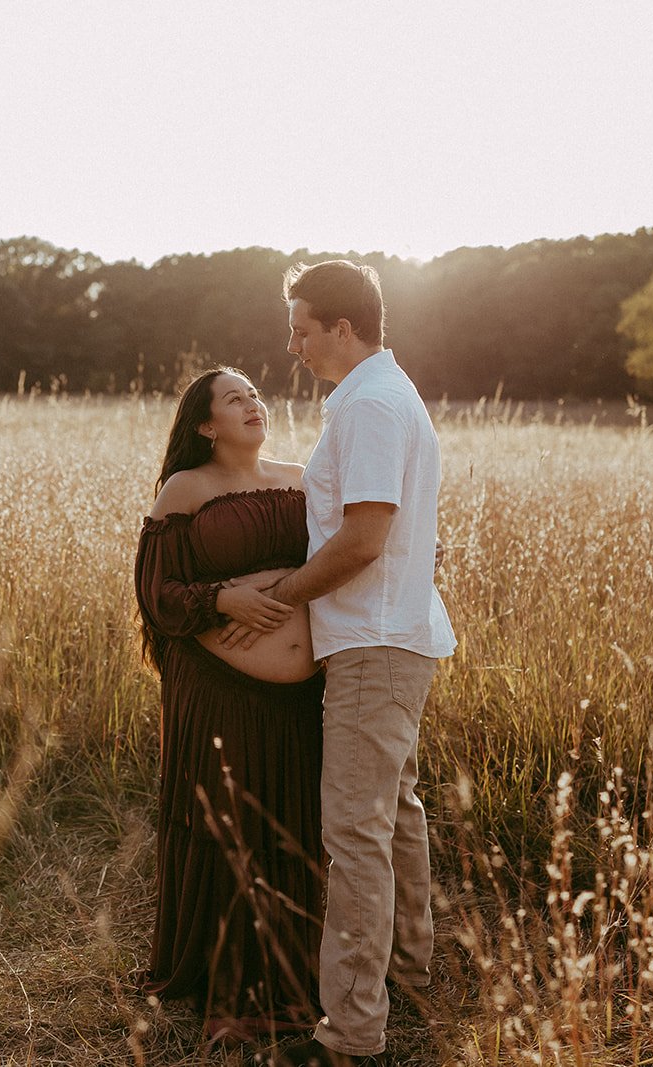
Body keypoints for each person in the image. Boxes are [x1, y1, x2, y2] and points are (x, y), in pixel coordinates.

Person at [251, 260, 459, 1066]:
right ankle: (406, 974)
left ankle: (351, 1034)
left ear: (345, 326)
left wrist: (288, 593)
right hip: (396, 636)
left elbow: (366, 538)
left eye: (302, 326)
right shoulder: (384, 396)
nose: (292, 342)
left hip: (374, 646)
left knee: (355, 833)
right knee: (394, 814)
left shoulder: (370, 404)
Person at [134, 366, 327, 1044]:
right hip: (215, 691)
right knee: (233, 827)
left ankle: (296, 978)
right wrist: (222, 599)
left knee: (290, 829)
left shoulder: (303, 476)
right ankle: (231, 985)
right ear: (205, 425)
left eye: (255, 394)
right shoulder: (187, 489)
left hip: (302, 697)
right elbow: (157, 593)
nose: (253, 403)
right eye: (234, 398)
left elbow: (342, 558)